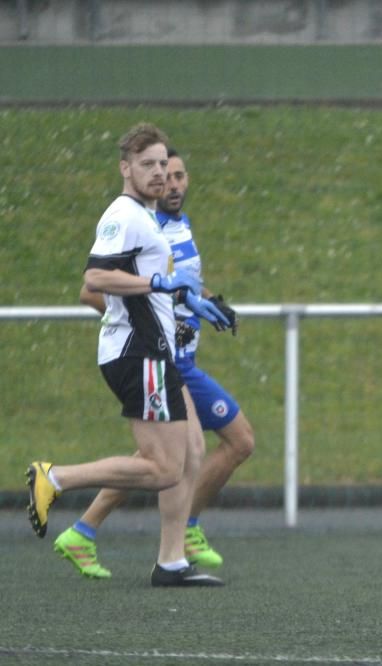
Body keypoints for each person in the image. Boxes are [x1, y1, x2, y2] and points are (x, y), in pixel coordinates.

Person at [25, 122, 230, 587]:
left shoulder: (147, 218)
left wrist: (189, 301)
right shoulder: (124, 214)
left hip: (155, 350)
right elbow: (95, 280)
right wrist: (160, 284)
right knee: (162, 468)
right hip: (139, 353)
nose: (159, 173)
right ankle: (54, 478)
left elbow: (145, 286)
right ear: (125, 168)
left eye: (163, 164)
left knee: (193, 449)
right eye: (147, 165)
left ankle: (171, 562)